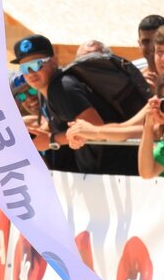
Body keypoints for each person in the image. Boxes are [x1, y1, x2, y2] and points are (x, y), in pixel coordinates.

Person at [13, 34, 138, 175]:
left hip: (114, 173)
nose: (30, 73)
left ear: (54, 61)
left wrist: (51, 140)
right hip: (99, 175)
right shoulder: (46, 91)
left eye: (36, 64)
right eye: (24, 68)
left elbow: (95, 129)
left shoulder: (61, 88)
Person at [136, 14, 164, 91]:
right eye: (145, 42)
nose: (152, 47)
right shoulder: (137, 80)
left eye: (157, 40)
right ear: (139, 44)